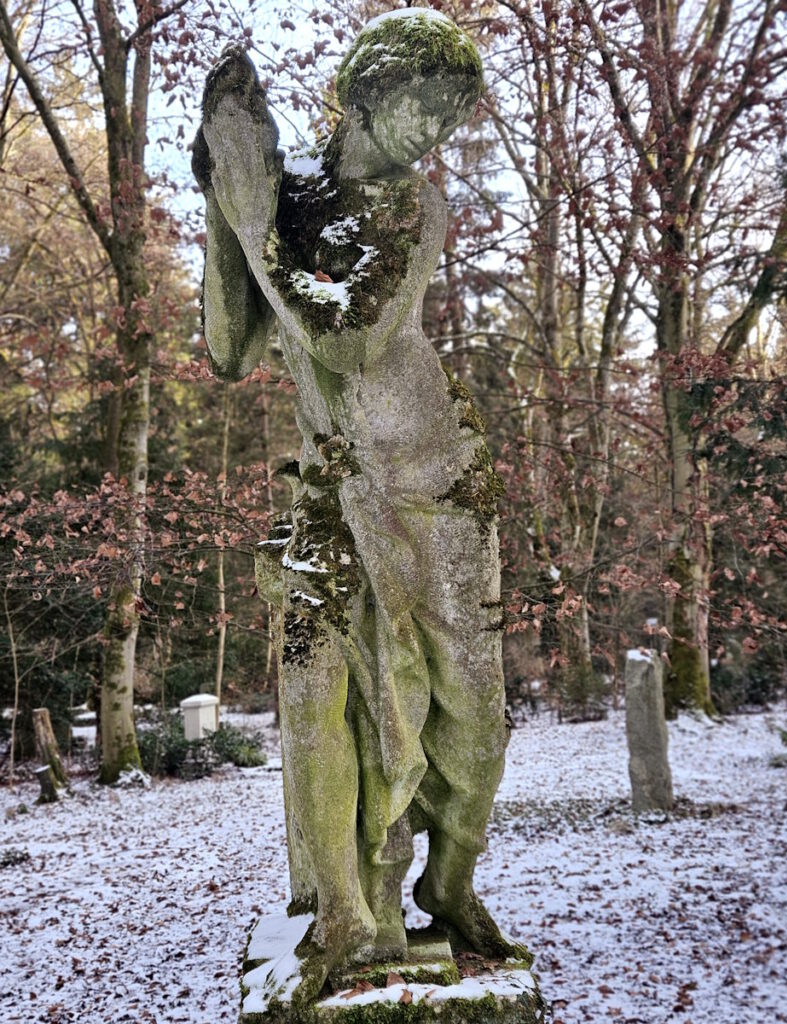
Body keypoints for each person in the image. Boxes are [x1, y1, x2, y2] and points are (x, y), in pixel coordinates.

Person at [193, 8, 529, 1003]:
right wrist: (227, 209)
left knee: (472, 727)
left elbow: (345, 340)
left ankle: (449, 884)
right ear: (368, 90)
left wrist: (253, 223)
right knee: (328, 691)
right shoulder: (291, 207)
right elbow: (231, 349)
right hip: (337, 486)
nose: (432, 135)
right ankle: (352, 913)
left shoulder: (411, 207)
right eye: (422, 108)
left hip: (439, 485)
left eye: (448, 119)